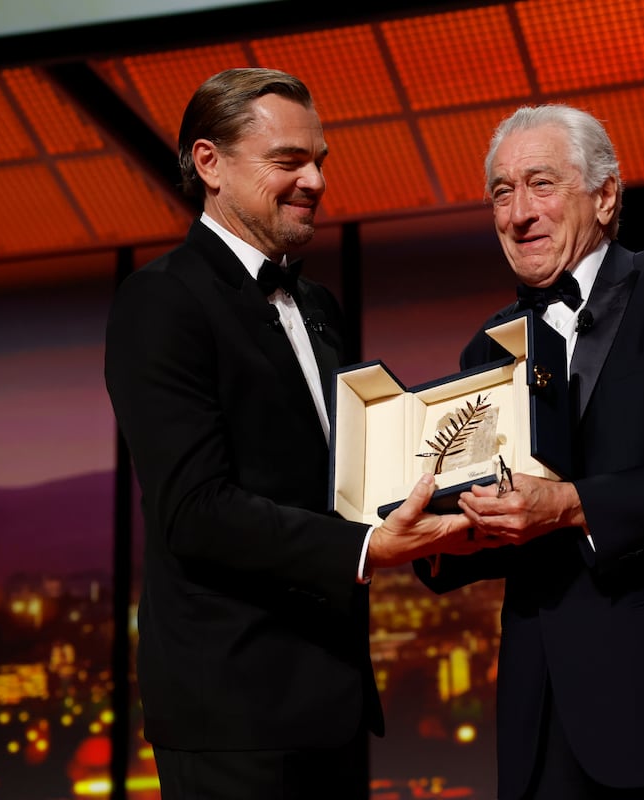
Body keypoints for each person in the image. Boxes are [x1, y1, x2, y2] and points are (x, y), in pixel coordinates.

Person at [103, 68, 477, 799]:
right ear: (209, 163)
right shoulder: (160, 302)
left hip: (329, 703)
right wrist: (369, 547)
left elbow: (342, 479)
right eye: (288, 162)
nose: (313, 180)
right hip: (231, 715)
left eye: (319, 162)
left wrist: (450, 508)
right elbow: (194, 511)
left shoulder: (320, 306)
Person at [414, 104, 644, 800]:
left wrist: (575, 506)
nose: (518, 213)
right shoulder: (486, 350)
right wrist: (432, 539)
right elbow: (493, 531)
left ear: (605, 196)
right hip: (544, 725)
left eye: (541, 184)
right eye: (501, 192)